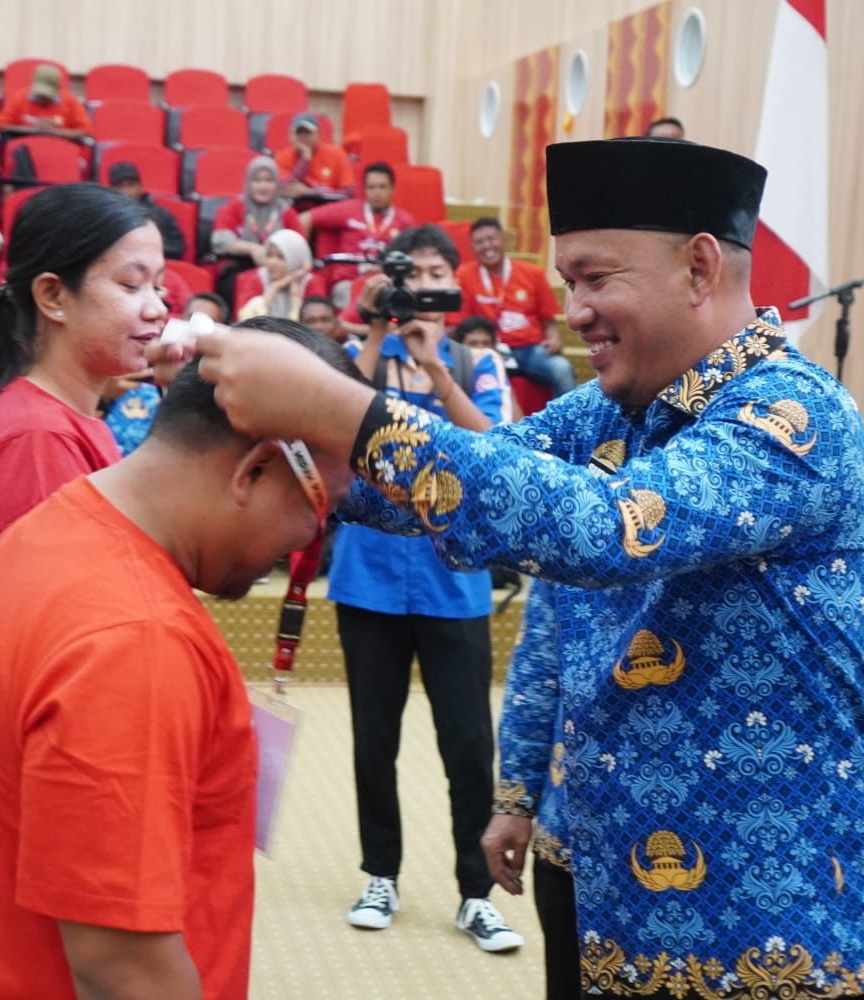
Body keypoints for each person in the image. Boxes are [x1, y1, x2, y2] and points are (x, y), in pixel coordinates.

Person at [184, 138, 864, 998]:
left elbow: (607, 529)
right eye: (567, 283)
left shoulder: (794, 414)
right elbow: (453, 493)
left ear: (699, 267)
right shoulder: (604, 410)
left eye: (595, 279)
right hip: (609, 888)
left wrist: (348, 411)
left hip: (784, 922)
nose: (574, 313)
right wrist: (258, 420)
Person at [0, 317, 358, 1000]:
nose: (310, 541)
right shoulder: (138, 639)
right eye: (323, 510)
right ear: (254, 469)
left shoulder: (48, 527)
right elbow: (120, 965)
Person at [320, 223, 519, 953]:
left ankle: (476, 894)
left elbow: (495, 448)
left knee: (467, 744)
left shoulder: (476, 359)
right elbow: (329, 418)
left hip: (453, 583)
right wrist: (375, 333)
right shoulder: (358, 357)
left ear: (453, 283)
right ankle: (380, 875)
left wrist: (436, 368)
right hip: (367, 579)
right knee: (373, 739)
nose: (423, 290)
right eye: (412, 277)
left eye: (436, 275)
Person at [0, 183, 166, 637]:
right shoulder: (36, 439)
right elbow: (63, 625)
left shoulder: (65, 419)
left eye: (158, 286)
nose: (158, 308)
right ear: (54, 297)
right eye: (131, 285)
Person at [457, 216, 574, 396]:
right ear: (472, 247)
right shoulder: (464, 276)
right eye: (479, 242)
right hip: (489, 347)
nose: (486, 246)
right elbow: (461, 324)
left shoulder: (533, 274)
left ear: (503, 240)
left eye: (491, 239)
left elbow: (548, 320)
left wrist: (553, 339)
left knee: (562, 368)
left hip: (529, 348)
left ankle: (568, 415)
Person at [302, 161, 415, 297]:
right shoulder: (348, 209)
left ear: (392, 189)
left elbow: (412, 258)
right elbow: (304, 219)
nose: (377, 192)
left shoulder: (404, 221)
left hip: (386, 283)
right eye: (371, 187)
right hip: (349, 283)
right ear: (364, 190)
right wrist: (304, 260)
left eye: (382, 187)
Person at [209, 155, 303, 305]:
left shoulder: (286, 212)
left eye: (269, 180)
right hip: (241, 263)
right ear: (248, 183)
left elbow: (298, 246)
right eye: (257, 180)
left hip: (280, 267)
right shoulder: (234, 207)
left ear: (277, 184)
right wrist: (252, 249)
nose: (263, 186)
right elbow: (221, 240)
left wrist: (273, 257)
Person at [234, 228, 326, 321]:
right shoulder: (252, 278)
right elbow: (245, 322)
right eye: (269, 255)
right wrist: (273, 288)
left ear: (296, 258)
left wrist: (296, 299)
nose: (272, 262)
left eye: (281, 257)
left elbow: (312, 325)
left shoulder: (311, 282)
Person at [107, 160, 186, 261]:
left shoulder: (161, 214)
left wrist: (147, 248)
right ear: (112, 190)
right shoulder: (107, 218)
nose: (126, 191)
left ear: (140, 187)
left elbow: (177, 248)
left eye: (131, 185)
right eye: (120, 187)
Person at [275, 111, 354, 207]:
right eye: (299, 132)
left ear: (318, 134)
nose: (303, 137)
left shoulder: (336, 153)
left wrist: (310, 193)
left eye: (308, 132)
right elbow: (284, 189)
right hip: (294, 209)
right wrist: (305, 159)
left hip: (328, 209)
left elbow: (348, 193)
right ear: (292, 136)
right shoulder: (282, 157)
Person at [0, 64, 91, 140]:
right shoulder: (18, 98)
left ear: (57, 89)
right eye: (39, 93)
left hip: (60, 148)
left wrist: (53, 132)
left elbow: (85, 131)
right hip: (24, 146)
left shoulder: (70, 101)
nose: (42, 98)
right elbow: (2, 125)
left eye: (46, 95)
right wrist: (34, 129)